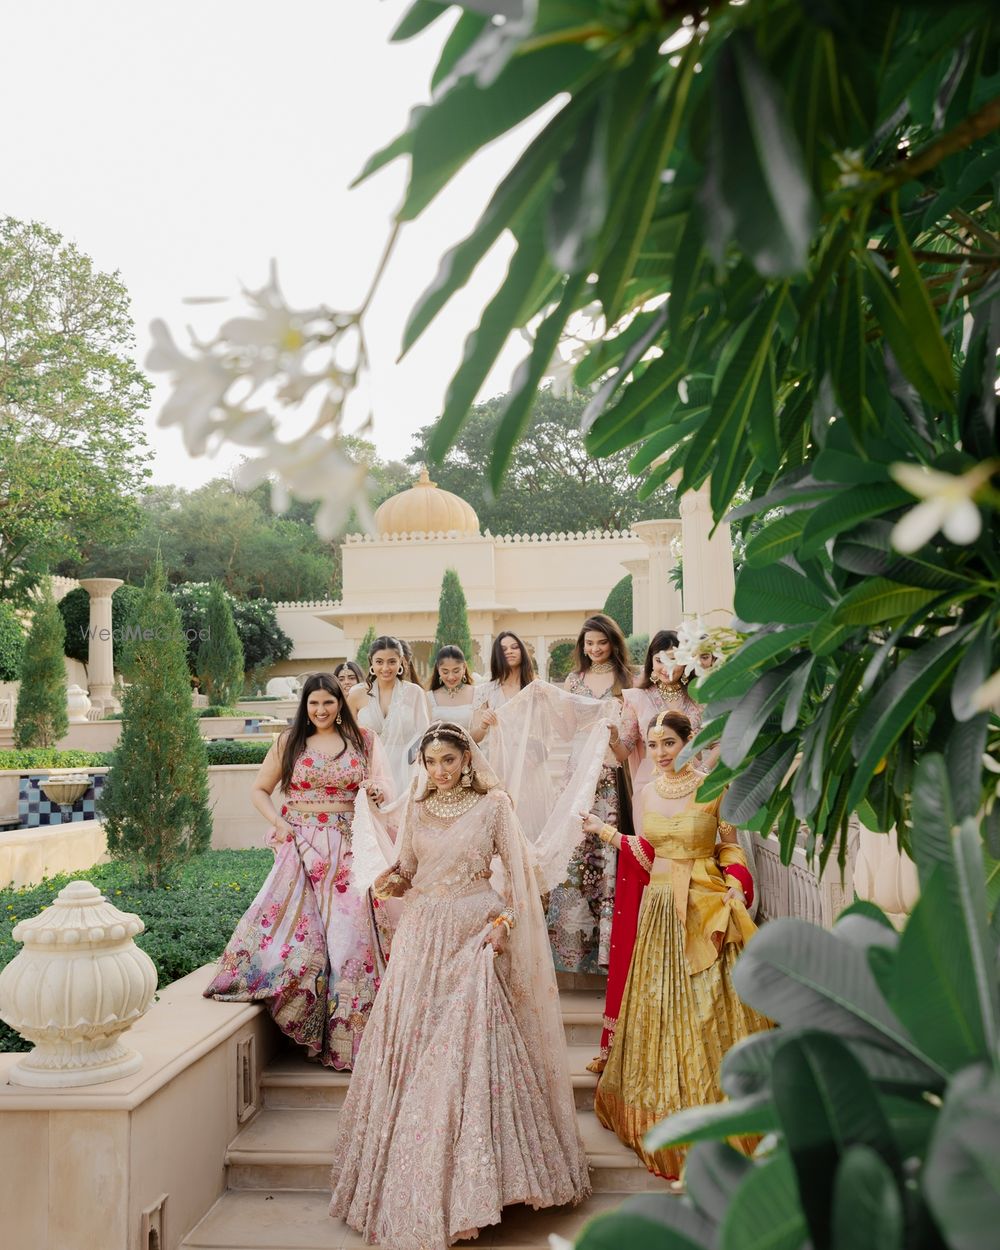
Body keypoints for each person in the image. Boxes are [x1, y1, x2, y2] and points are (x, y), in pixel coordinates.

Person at [329, 722, 591, 1249]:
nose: (441, 770)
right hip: (423, 934)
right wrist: (385, 882)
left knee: (469, 1047)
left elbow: (522, 880)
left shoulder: (495, 806)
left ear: (466, 759)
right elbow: (406, 868)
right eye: (432, 762)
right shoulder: (417, 809)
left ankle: (489, 1183)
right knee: (417, 1043)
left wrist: (503, 927)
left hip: (475, 932)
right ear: (421, 765)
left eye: (449, 759)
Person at [590, 710, 767, 1179]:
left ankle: (728, 1113)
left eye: (670, 742)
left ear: (689, 741)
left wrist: (737, 884)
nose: (662, 752)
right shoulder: (645, 792)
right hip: (661, 910)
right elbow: (650, 855)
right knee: (659, 1008)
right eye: (654, 744)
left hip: (707, 906)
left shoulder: (714, 786)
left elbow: (730, 847)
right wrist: (603, 831)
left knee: (710, 1009)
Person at [204, 674, 394, 1069]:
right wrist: (279, 822)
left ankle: (351, 1040)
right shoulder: (289, 742)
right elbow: (259, 790)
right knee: (299, 935)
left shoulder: (364, 740)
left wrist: (374, 792)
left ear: (340, 703)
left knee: (351, 938)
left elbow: (381, 789)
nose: (321, 710)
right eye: (314, 704)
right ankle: (307, 1020)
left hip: (347, 849)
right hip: (301, 847)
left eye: (328, 702)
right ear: (304, 706)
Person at [547, 613, 632, 977]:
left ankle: (609, 954)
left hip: (610, 777)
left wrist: (612, 735)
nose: (595, 649)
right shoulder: (573, 681)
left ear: (613, 643)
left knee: (607, 853)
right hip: (576, 775)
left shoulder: (629, 682)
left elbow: (627, 748)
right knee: (575, 854)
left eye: (602, 642)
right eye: (589, 643)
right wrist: (554, 703)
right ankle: (571, 954)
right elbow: (565, 731)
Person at [349, 635, 430, 796]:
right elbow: (348, 736)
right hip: (369, 771)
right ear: (371, 661)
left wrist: (409, 764)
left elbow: (424, 734)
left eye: (392, 661)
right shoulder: (356, 694)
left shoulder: (415, 693)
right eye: (379, 662)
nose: (385, 668)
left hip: (407, 772)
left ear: (401, 661)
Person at [470, 630, 536, 744]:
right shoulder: (484, 691)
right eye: (503, 649)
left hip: (527, 757)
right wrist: (483, 725)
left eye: (514, 647)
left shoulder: (534, 689)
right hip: (494, 757)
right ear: (497, 655)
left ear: (522, 652)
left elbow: (545, 731)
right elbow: (474, 738)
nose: (509, 651)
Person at [425, 644, 476, 730]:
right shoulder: (429, 697)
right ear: (438, 669)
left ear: (464, 667)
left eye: (456, 671)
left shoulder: (477, 694)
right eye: (445, 672)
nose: (451, 677)